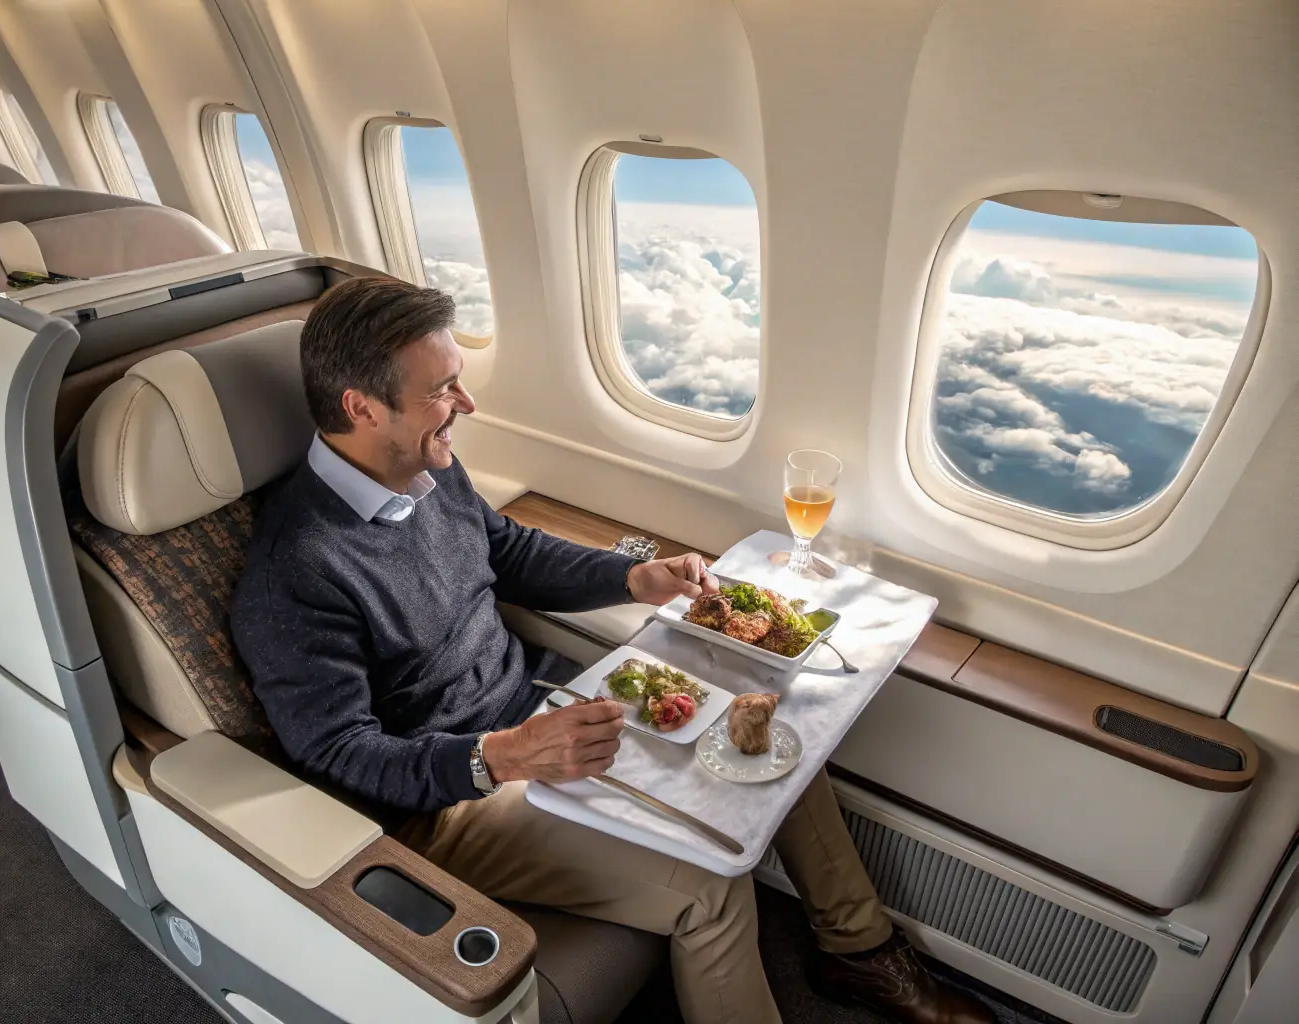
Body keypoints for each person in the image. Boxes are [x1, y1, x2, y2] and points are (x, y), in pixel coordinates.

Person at [231, 276, 993, 1024]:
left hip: (540, 710)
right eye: (441, 390)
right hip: (448, 803)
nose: (466, 405)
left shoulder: (425, 469)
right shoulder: (296, 570)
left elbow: (507, 551)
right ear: (362, 406)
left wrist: (635, 576)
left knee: (771, 742)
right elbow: (336, 752)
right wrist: (501, 756)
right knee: (709, 891)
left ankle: (859, 952)